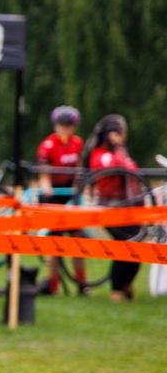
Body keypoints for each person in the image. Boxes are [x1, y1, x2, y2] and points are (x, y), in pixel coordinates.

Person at [86, 114, 141, 302]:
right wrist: (117, 147)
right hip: (110, 210)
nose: (124, 136)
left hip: (130, 209)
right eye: (121, 133)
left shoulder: (121, 152)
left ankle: (126, 286)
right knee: (125, 245)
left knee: (137, 245)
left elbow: (132, 171)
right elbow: (117, 168)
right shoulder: (100, 155)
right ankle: (117, 290)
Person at [36, 104, 87, 294]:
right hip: (53, 195)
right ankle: (53, 285)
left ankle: (82, 284)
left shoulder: (78, 143)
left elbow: (80, 166)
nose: (65, 129)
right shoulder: (48, 145)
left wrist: (79, 186)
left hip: (70, 194)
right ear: (56, 126)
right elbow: (43, 169)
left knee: (78, 239)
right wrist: (45, 184)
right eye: (62, 125)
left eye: (69, 125)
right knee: (54, 244)